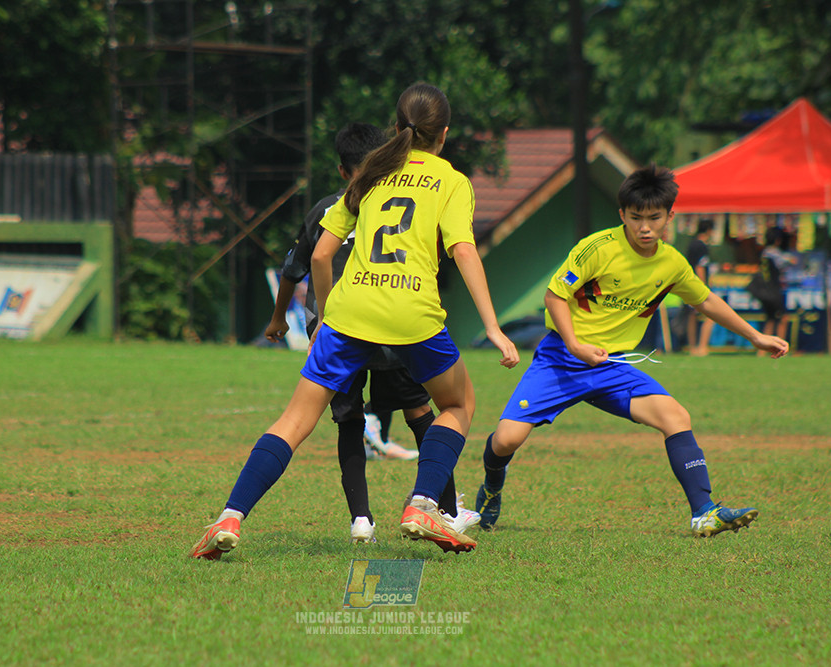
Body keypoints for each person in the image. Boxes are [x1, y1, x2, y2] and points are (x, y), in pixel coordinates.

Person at [192, 82, 519, 560]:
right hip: (412, 313)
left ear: (396, 126)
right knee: (458, 403)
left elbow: (322, 255)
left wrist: (325, 319)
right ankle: (423, 504)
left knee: (294, 420)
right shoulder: (451, 181)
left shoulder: (368, 174)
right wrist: (492, 326)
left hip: (348, 312)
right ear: (443, 134)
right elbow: (463, 249)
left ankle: (230, 516)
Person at [474, 164, 788, 538]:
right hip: (561, 358)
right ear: (622, 214)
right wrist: (575, 344)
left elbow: (704, 300)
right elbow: (554, 296)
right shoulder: (598, 249)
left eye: (654, 218)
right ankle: (492, 486)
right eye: (636, 217)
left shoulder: (671, 262)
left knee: (675, 416)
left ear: (670, 216)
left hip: (611, 365)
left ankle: (704, 511)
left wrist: (755, 337)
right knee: (507, 439)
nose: (644, 227)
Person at [262, 122, 479, 543]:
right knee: (422, 412)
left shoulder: (329, 206)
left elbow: (295, 268)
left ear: (343, 171)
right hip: (393, 320)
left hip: (339, 325)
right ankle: (444, 509)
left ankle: (361, 520)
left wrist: (278, 320)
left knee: (347, 420)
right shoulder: (401, 193)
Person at [752, 226, 796, 350]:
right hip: (775, 290)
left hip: (766, 290)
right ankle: (781, 346)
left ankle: (762, 351)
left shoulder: (763, 253)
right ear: (778, 240)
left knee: (770, 319)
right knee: (783, 318)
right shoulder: (774, 253)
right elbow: (791, 261)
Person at [685, 218, 715, 355]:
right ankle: (702, 346)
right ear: (709, 230)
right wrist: (703, 286)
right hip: (698, 285)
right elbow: (700, 267)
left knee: (691, 316)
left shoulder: (691, 244)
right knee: (711, 315)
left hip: (688, 284)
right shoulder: (702, 246)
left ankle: (692, 346)